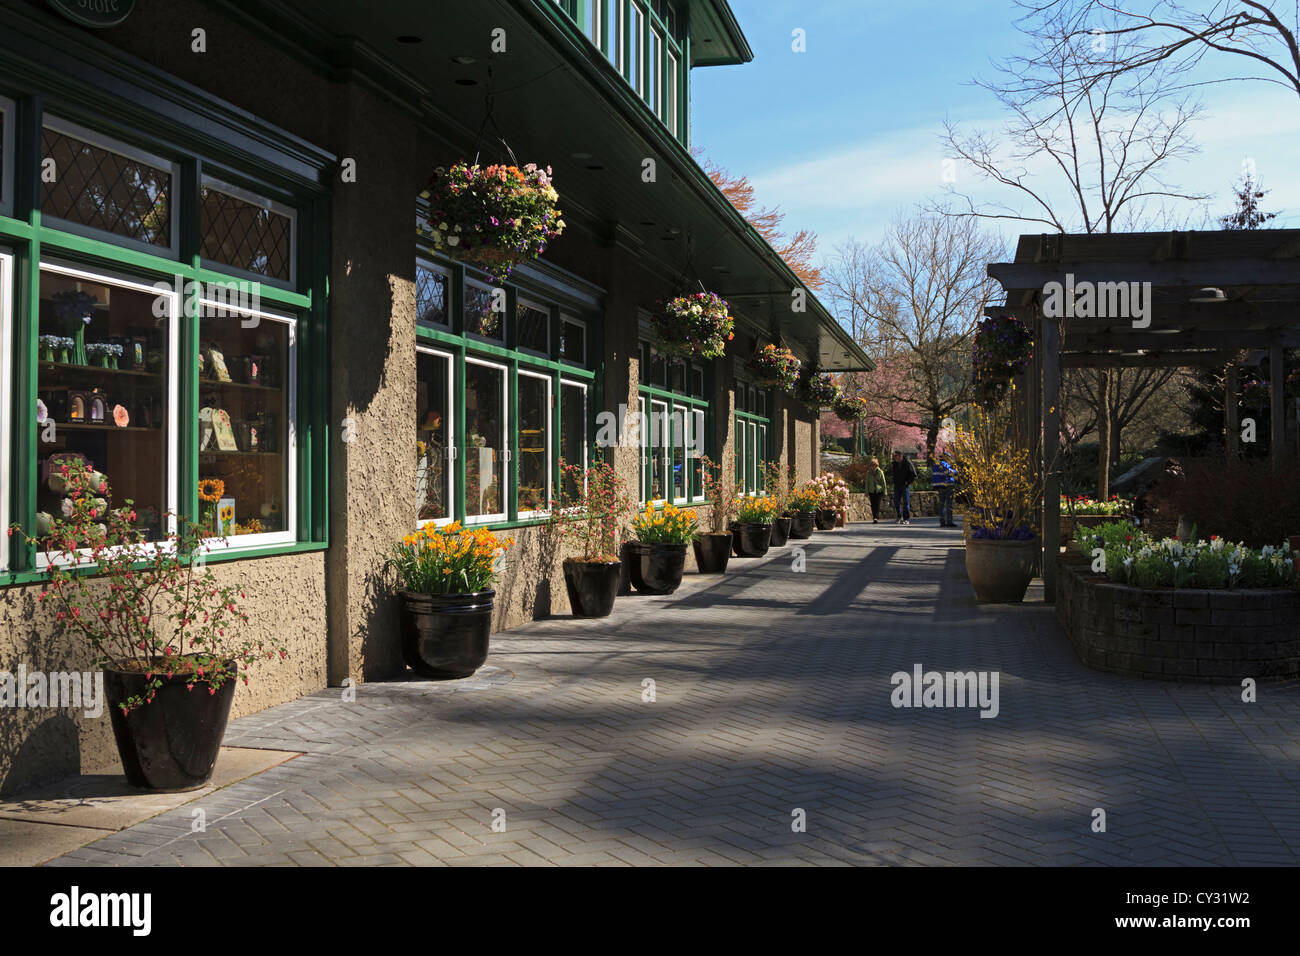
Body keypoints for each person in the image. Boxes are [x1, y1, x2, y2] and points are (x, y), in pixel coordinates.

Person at [928, 453, 957, 527]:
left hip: (939, 487)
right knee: (949, 504)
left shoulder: (936, 465)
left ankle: (942, 521)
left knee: (941, 504)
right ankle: (949, 521)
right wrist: (956, 471)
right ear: (946, 458)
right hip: (948, 486)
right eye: (949, 458)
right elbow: (949, 473)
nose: (950, 460)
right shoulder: (945, 464)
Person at [890, 451, 916, 525]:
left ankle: (906, 518)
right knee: (896, 501)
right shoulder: (895, 463)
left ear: (900, 456)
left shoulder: (907, 462)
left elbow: (914, 474)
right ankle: (899, 516)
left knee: (906, 502)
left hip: (905, 485)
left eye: (896, 456)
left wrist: (907, 482)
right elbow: (894, 473)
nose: (895, 458)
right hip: (897, 485)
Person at [864, 457, 887, 523]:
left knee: (877, 504)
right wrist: (866, 492)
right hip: (871, 490)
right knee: (873, 504)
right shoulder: (868, 473)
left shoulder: (880, 472)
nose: (873, 467)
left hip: (878, 491)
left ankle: (876, 517)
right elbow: (867, 483)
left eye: (875, 465)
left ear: (877, 465)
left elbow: (883, 482)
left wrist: (885, 491)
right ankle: (874, 516)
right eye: (872, 465)